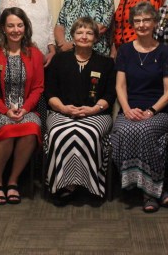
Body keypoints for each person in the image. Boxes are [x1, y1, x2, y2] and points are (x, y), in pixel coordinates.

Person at [110, 2, 168, 213]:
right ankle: (154, 189)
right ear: (132, 24)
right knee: (124, 130)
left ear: (155, 22)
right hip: (130, 109)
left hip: (160, 111)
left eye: (147, 20)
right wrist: (127, 109)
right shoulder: (125, 51)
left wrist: (152, 111)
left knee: (145, 130)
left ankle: (149, 192)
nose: (142, 24)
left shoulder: (165, 51)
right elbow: (120, 86)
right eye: (137, 21)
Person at [0, 8, 43, 205]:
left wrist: (25, 109)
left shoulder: (35, 54)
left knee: (31, 128)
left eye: (20, 25)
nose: (15, 30)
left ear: (25, 27)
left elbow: (38, 87)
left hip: (26, 109)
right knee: (7, 128)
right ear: (3, 28)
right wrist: (6, 111)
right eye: (10, 25)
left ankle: (13, 180)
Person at [44, 17, 116, 204]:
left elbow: (110, 95)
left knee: (88, 133)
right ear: (73, 36)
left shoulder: (106, 63)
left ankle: (89, 185)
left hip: (97, 114)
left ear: (96, 38)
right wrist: (63, 108)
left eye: (89, 33)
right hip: (61, 112)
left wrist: (93, 109)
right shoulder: (59, 60)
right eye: (79, 32)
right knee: (59, 133)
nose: (84, 36)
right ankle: (62, 185)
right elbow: (49, 92)